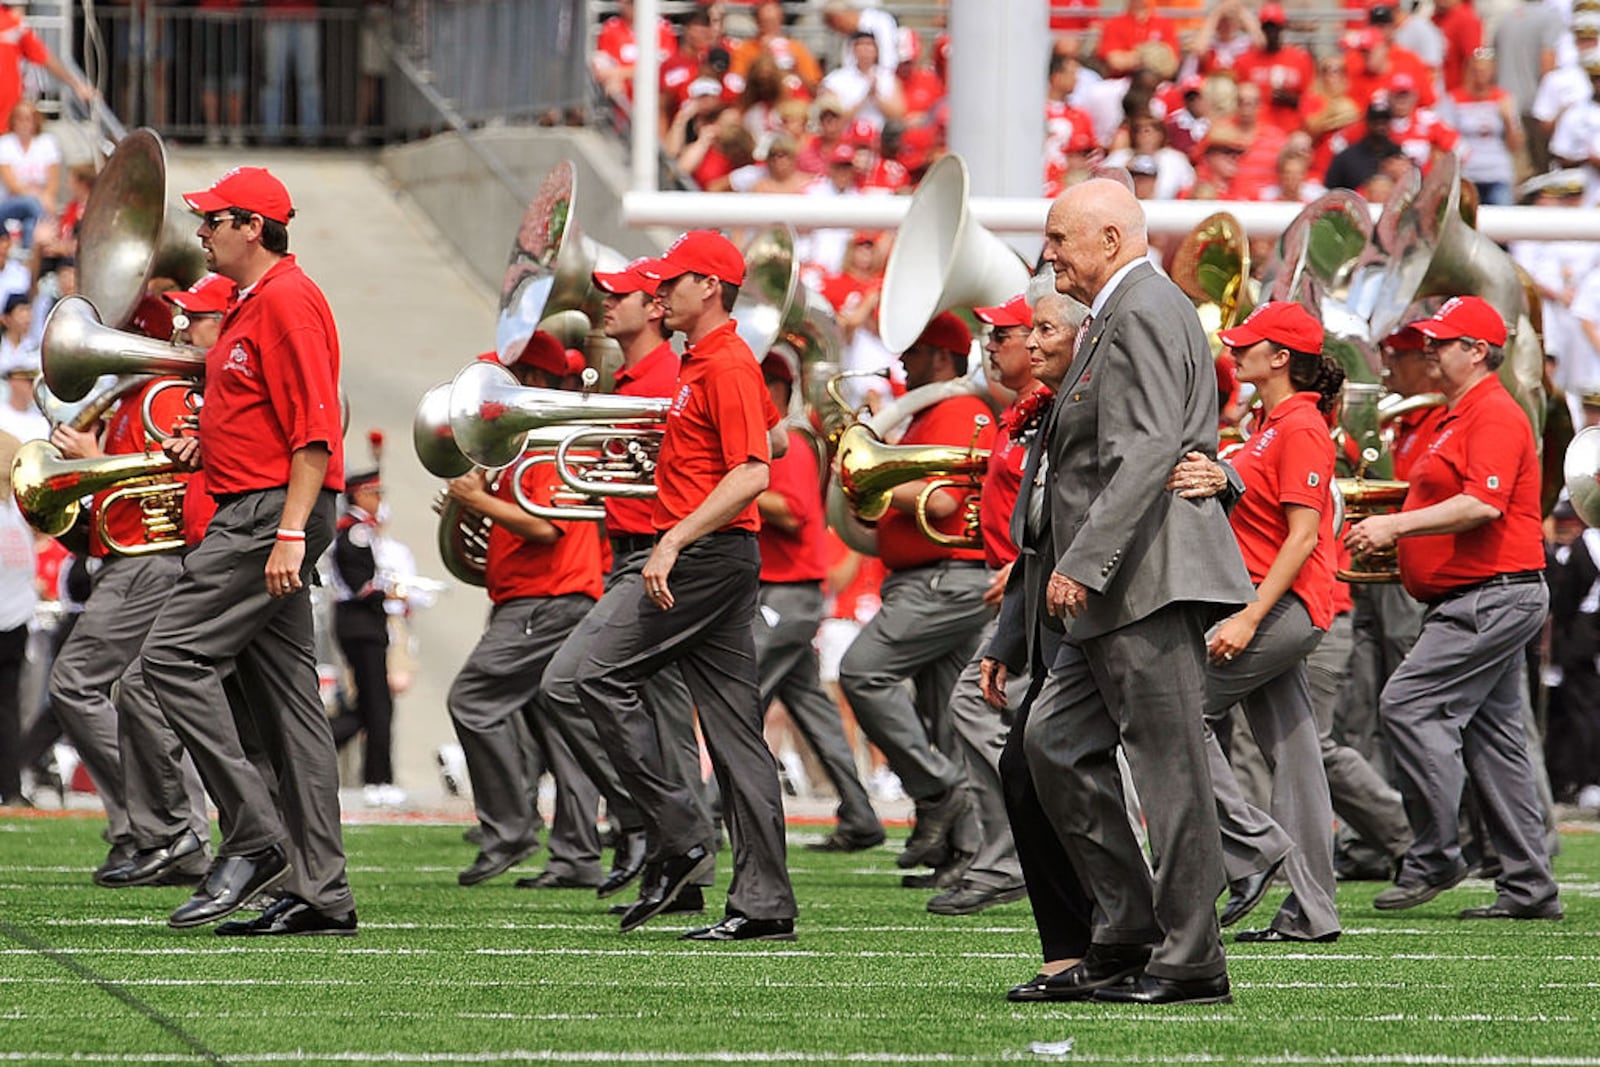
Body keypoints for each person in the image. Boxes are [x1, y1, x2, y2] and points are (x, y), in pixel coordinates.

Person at [1024, 179, 1253, 1006]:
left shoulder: (1147, 309)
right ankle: (1127, 933)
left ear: (1111, 240)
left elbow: (1153, 444)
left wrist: (1083, 559)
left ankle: (1191, 959)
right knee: (1052, 743)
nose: (1048, 252)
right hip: (1120, 583)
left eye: (1059, 237)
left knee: (1170, 775)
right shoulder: (1126, 311)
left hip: (1145, 577)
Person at [136, 166, 356, 936]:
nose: (200, 231)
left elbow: (318, 432)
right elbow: (263, 421)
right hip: (260, 506)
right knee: (292, 707)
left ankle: (255, 834)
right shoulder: (251, 305)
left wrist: (291, 528)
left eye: (212, 219)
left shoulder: (289, 302)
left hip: (267, 516)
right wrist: (202, 450)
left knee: (168, 658)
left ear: (251, 227)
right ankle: (323, 890)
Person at [573, 230, 798, 942]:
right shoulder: (709, 362)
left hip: (702, 559)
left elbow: (755, 470)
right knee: (736, 737)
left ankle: (680, 833)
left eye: (673, 282)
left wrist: (671, 537)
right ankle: (763, 903)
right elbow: (772, 438)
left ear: (709, 287)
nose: (660, 293)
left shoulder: (723, 362)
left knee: (589, 674)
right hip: (721, 556)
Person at [1344, 296, 1562, 921]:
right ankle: (1528, 886)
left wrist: (1396, 528)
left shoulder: (1492, 413)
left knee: (1407, 705)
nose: (1430, 350)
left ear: (1477, 351)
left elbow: (1482, 506)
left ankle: (1438, 851)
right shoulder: (1459, 413)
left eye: (1442, 341)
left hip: (1490, 594)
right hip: (1485, 593)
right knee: (1496, 741)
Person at [539, 259, 715, 910]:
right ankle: (675, 849)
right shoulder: (631, 378)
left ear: (655, 309)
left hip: (655, 557)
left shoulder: (666, 376)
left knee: (571, 684)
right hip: (630, 555)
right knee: (657, 719)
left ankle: (669, 835)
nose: (604, 302)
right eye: (604, 292)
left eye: (622, 295)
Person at [1185, 302, 1346, 945]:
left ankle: (1249, 849)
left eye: (1249, 344)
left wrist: (1250, 619)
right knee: (1296, 753)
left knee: (1175, 712)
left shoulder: (1299, 424)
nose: (1237, 349)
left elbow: (1305, 536)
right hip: (1270, 603)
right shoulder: (1271, 422)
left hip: (1280, 606)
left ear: (1281, 359)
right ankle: (1312, 911)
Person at [44, 296, 211, 889]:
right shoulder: (129, 399)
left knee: (78, 684)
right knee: (139, 696)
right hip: (128, 559)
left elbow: (179, 476)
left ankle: (164, 827)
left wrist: (93, 460)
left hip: (151, 561)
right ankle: (149, 829)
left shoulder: (163, 395)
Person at [838, 311, 997, 890]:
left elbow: (947, 504)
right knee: (949, 715)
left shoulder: (958, 410)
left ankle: (937, 789)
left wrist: (869, 483)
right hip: (928, 576)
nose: (903, 362)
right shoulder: (928, 413)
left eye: (915, 352)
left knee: (862, 672)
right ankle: (964, 852)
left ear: (943, 357)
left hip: (945, 576)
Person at [444, 334, 608, 889]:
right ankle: (577, 855)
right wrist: (477, 507)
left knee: (472, 700)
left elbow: (547, 527)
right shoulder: (521, 447)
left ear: (532, 384)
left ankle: (510, 830)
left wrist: (477, 501)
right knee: (560, 728)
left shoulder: (543, 441)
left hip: (548, 599)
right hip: (539, 597)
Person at [927, 293, 1044, 917]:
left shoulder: (1044, 410)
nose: (990, 345)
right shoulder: (1018, 413)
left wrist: (1022, 565)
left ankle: (1007, 858)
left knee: (985, 706)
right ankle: (1006, 856)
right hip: (1019, 587)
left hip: (1032, 590)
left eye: (1003, 335)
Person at [754, 352, 883, 854]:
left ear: (779, 391)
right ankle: (860, 815)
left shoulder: (788, 443)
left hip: (787, 591)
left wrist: (725, 486)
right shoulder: (779, 439)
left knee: (741, 700)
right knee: (813, 712)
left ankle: (701, 810)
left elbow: (790, 511)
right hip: (786, 591)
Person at [329, 467, 402, 806]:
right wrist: (394, 590)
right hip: (361, 624)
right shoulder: (356, 533)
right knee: (376, 703)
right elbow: (362, 585)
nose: (380, 501)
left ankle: (375, 774)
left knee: (371, 705)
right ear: (359, 495)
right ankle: (378, 778)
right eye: (375, 493)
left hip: (361, 623)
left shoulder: (364, 531)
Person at [0, 429, 32, 807]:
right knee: (8, 711)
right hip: (18, 619)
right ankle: (11, 787)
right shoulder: (19, 519)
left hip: (7, 617)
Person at [0, 4, 95, 129]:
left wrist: (76, 85)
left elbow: (44, 58)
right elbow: (46, 59)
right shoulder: (13, 23)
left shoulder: (14, 24)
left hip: (7, 112)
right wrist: (77, 85)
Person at [0, 102, 58, 249]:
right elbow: (12, 186)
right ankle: (48, 232)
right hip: (10, 203)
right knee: (32, 203)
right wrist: (40, 197)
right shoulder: (5, 144)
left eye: (28, 118)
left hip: (40, 203)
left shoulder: (47, 143)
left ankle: (28, 258)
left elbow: (53, 182)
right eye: (19, 118)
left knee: (30, 223)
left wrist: (47, 197)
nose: (23, 123)